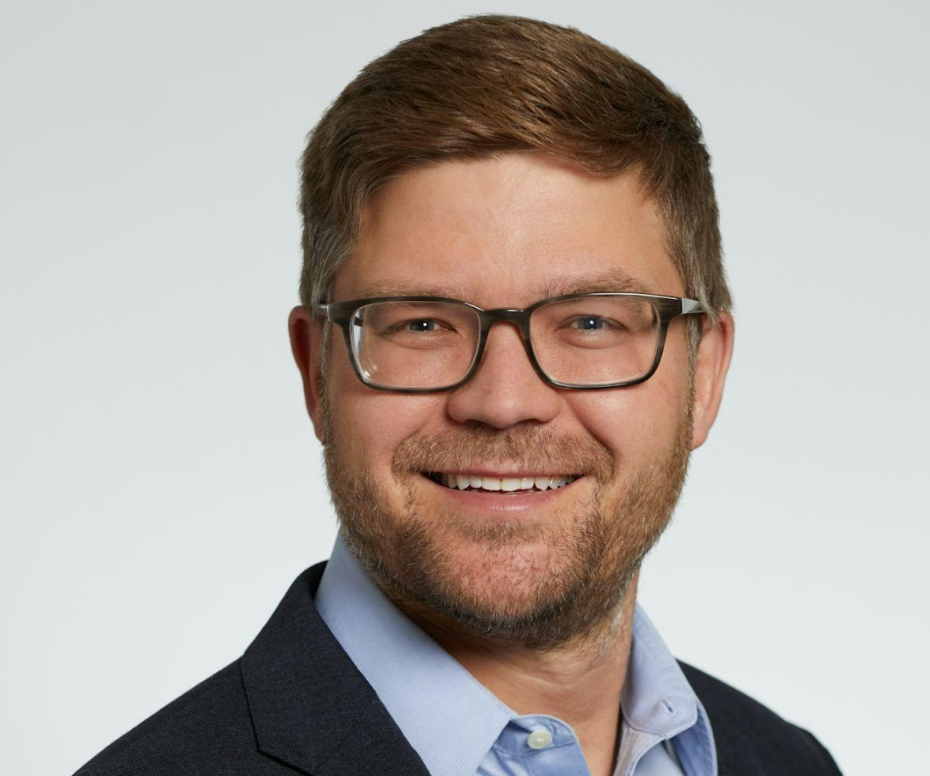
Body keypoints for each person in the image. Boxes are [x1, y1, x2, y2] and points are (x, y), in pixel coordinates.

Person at [74, 14, 842, 776]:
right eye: (421, 324)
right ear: (316, 372)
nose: (503, 402)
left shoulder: (790, 764)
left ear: (704, 376)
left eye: (590, 321)